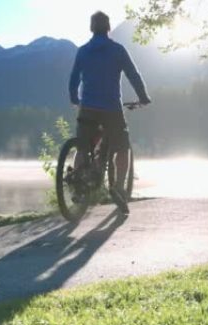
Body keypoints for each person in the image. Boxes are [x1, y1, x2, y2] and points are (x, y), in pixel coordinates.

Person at [69, 11, 151, 214]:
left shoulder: (83, 51)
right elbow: (133, 74)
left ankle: (79, 186)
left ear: (91, 28)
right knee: (122, 148)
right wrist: (143, 97)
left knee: (82, 147)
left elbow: (73, 79)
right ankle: (119, 188)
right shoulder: (118, 50)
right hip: (111, 108)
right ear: (108, 28)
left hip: (87, 107)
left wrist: (74, 99)